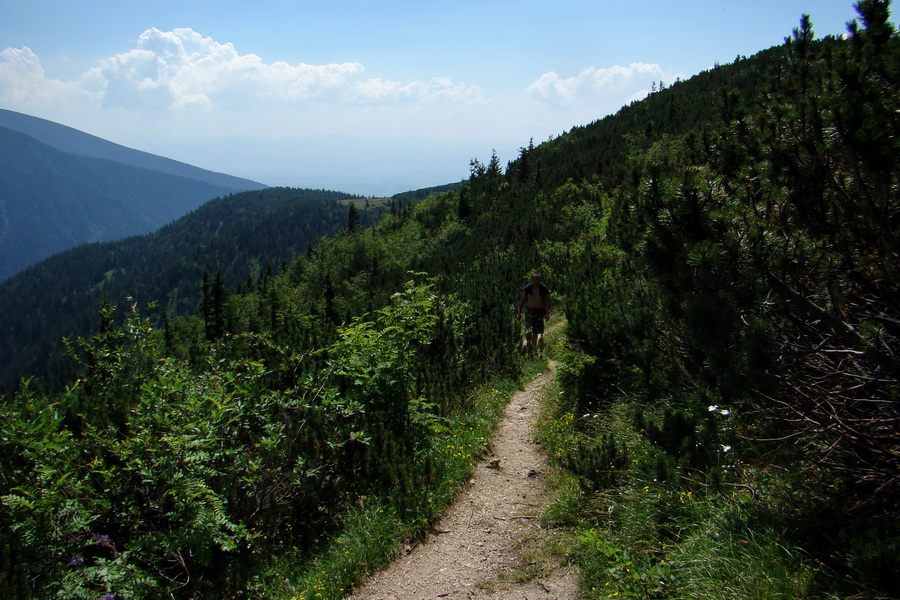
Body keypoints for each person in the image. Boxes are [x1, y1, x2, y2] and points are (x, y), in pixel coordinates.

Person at [516, 272, 551, 351]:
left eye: (537, 279)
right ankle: (528, 343)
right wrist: (519, 313)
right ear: (532, 279)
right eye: (534, 279)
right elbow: (522, 302)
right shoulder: (527, 288)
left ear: (539, 280)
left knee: (536, 330)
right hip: (529, 311)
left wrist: (547, 314)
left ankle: (534, 345)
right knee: (528, 328)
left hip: (539, 311)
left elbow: (547, 302)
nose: (536, 281)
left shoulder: (543, 289)